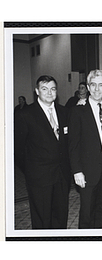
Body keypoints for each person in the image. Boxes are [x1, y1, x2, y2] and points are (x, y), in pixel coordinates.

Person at [14, 75, 71, 229]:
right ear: (37, 91)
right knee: (42, 218)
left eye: (52, 89)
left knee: (61, 215)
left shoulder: (64, 111)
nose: (49, 93)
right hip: (38, 177)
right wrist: (31, 170)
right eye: (44, 89)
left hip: (62, 175)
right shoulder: (25, 114)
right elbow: (18, 149)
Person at [68, 70, 102, 229]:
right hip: (88, 167)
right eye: (93, 85)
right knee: (87, 211)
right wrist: (76, 171)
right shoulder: (78, 111)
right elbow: (73, 145)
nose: (97, 89)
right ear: (88, 88)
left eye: (101, 85)